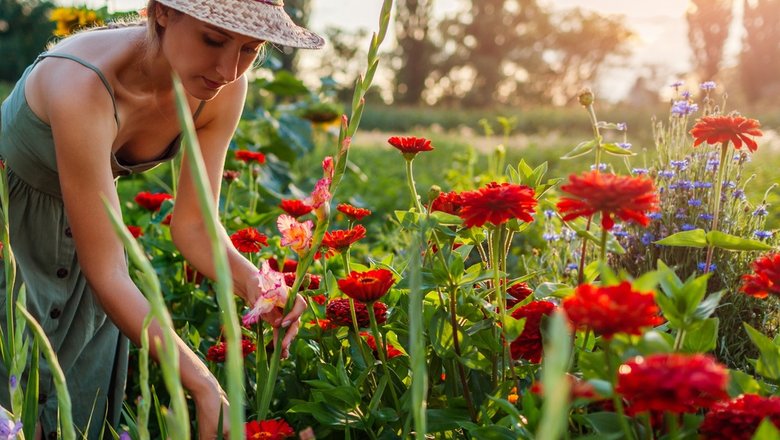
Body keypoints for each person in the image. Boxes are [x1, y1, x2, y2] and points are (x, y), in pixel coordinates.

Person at [0, 0, 324, 438]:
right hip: (11, 242)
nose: (229, 69)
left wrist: (256, 285)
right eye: (213, 39)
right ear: (162, 12)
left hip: (88, 246)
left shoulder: (221, 88)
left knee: (75, 421)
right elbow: (109, 271)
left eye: (251, 48)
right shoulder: (82, 82)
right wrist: (203, 383)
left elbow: (194, 226)